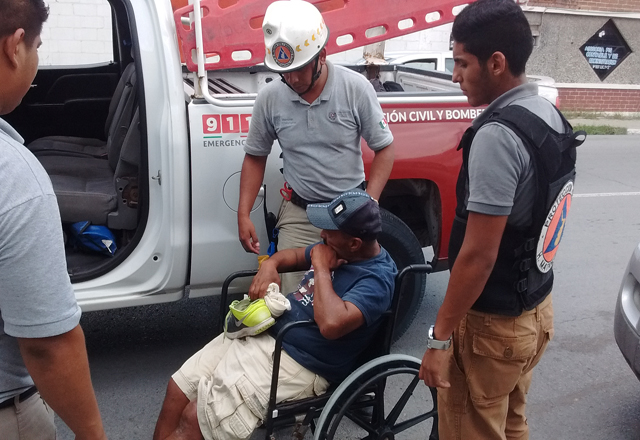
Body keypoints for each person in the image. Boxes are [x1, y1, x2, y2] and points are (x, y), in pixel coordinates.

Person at [418, 1, 581, 439]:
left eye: (461, 63)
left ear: (496, 63)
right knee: (511, 425)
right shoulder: (546, 114)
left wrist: (438, 338)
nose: (455, 76)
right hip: (534, 313)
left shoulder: (497, 136)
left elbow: (478, 256)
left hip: (493, 328)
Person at [154, 190, 397, 440]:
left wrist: (321, 267)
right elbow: (293, 256)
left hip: (299, 361)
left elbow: (331, 324)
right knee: (180, 388)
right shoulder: (337, 248)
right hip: (266, 332)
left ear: (354, 243)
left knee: (195, 418)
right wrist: (270, 265)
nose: (321, 235)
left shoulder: (377, 280)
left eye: (329, 231)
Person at [0, 1, 107, 439]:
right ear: (15, 46)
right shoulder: (14, 178)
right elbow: (47, 346)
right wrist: (92, 433)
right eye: (38, 47)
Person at [237, 0, 395, 293]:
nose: (293, 79)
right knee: (291, 302)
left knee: (347, 300)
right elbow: (255, 156)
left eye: (299, 69)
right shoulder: (270, 98)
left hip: (348, 217)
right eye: (285, 72)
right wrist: (243, 213)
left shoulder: (356, 89)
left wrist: (368, 203)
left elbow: (384, 148)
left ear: (322, 55)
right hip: (300, 215)